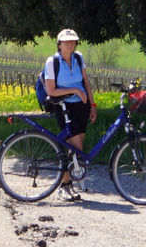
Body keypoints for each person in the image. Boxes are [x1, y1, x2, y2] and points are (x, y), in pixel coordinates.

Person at [43, 29, 97, 190]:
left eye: (73, 41)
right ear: (59, 44)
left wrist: (93, 106)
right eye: (66, 42)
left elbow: (86, 83)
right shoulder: (52, 62)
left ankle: (67, 183)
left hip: (82, 106)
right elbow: (51, 90)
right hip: (64, 107)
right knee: (77, 147)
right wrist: (74, 90)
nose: (70, 44)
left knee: (74, 148)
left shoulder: (78, 58)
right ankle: (64, 185)